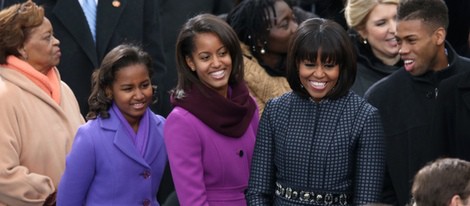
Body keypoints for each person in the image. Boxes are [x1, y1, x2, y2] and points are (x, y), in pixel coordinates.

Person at [246, 18, 385, 205]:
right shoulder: (275, 110)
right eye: (310, 64)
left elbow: (367, 200)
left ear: (342, 66)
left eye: (329, 65)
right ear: (296, 64)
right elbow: (258, 191)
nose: (319, 74)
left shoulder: (365, 117)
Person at [364, 0, 470, 205]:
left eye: (411, 40)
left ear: (438, 36)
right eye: (399, 40)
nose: (401, 50)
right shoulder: (381, 98)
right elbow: (378, 182)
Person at [3, 0, 168, 118]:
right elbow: (12, 59)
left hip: (132, 130)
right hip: (59, 131)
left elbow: (154, 63)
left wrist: (142, 120)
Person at [164, 13, 259, 206]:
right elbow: (193, 200)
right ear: (191, 62)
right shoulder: (181, 121)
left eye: (223, 53)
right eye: (205, 57)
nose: (217, 63)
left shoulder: (248, 103)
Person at [57, 44, 167, 205]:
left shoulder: (162, 127)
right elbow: (68, 201)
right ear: (109, 90)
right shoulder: (90, 136)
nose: (139, 95)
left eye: (144, 85)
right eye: (128, 88)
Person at [0, 1, 84, 205]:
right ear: (21, 48)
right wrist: (51, 197)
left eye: (53, 35)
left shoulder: (64, 89)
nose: (57, 42)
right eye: (47, 37)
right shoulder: (4, 95)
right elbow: (3, 175)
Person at [226, 0, 298, 113]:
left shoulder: (304, 61)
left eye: (294, 19)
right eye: (285, 24)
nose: (296, 28)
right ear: (259, 38)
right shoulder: (241, 85)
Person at [344, 0, 402, 96]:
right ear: (362, 31)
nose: (393, 29)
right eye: (381, 23)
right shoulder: (347, 78)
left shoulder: (428, 64)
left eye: (397, 18)